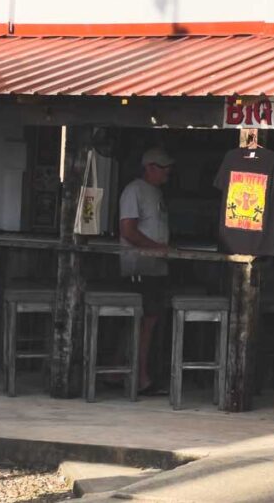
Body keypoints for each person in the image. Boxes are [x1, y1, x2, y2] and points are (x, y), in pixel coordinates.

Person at [118, 147, 174, 395]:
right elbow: (128, 230)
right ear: (149, 167)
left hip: (155, 267)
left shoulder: (157, 192)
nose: (168, 172)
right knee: (143, 323)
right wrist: (157, 248)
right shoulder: (134, 190)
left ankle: (121, 372)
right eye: (163, 168)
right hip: (139, 266)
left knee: (147, 323)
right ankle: (139, 378)